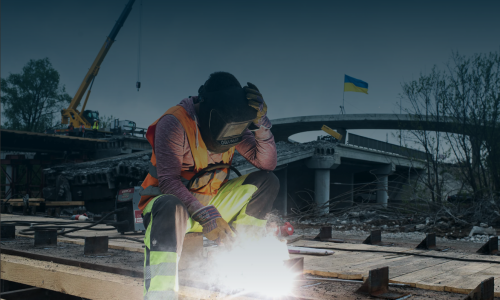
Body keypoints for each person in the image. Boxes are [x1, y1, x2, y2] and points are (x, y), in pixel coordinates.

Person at [139, 72, 279, 299]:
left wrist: (262, 124)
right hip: (172, 211)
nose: (229, 138)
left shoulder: (233, 124)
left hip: (212, 205)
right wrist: (204, 215)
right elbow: (167, 181)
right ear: (207, 111)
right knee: (169, 205)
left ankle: (243, 260)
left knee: (266, 182)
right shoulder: (174, 123)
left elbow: (267, 163)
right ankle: (160, 294)